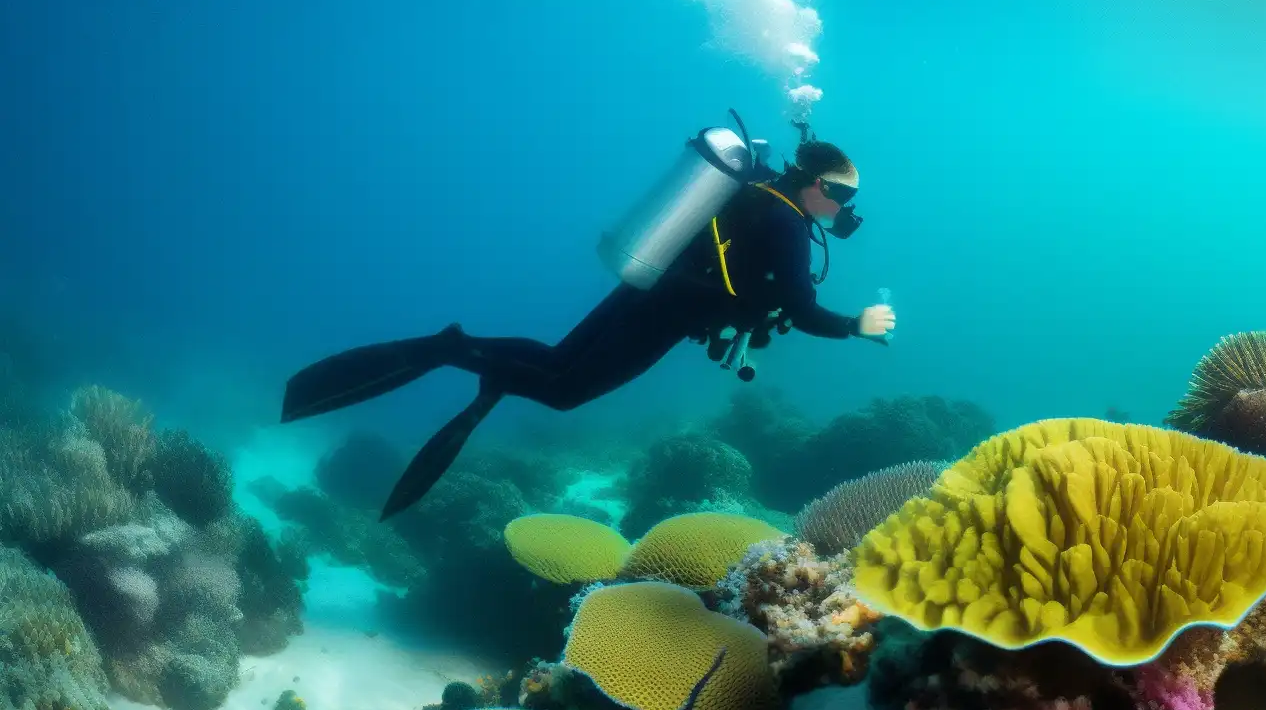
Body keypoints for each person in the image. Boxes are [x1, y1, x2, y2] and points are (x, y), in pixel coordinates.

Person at [280, 138, 895, 518]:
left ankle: (466, 355)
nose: (845, 210)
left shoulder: (758, 186)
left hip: (645, 284)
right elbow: (803, 310)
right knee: (562, 389)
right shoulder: (788, 224)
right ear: (817, 185)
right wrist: (856, 325)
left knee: (553, 363)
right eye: (841, 195)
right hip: (668, 312)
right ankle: (454, 350)